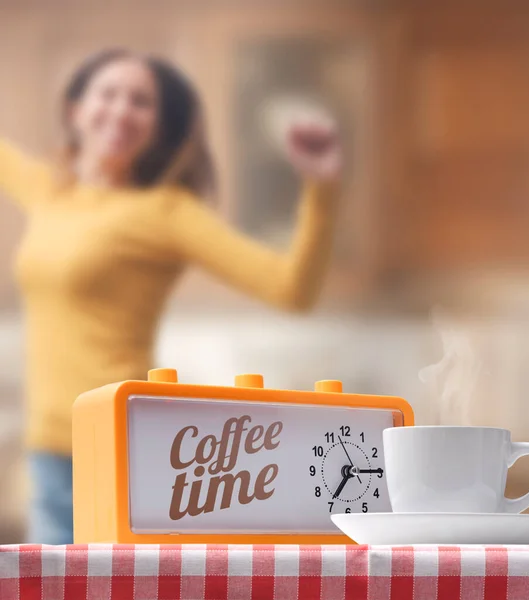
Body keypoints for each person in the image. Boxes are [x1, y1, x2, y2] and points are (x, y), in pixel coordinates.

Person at [0, 48, 341, 544]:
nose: (120, 110)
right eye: (108, 93)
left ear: (159, 127)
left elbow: (292, 289)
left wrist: (322, 187)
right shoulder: (50, 192)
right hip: (47, 454)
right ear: (77, 108)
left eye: (140, 101)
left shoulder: (167, 213)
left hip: (120, 448)